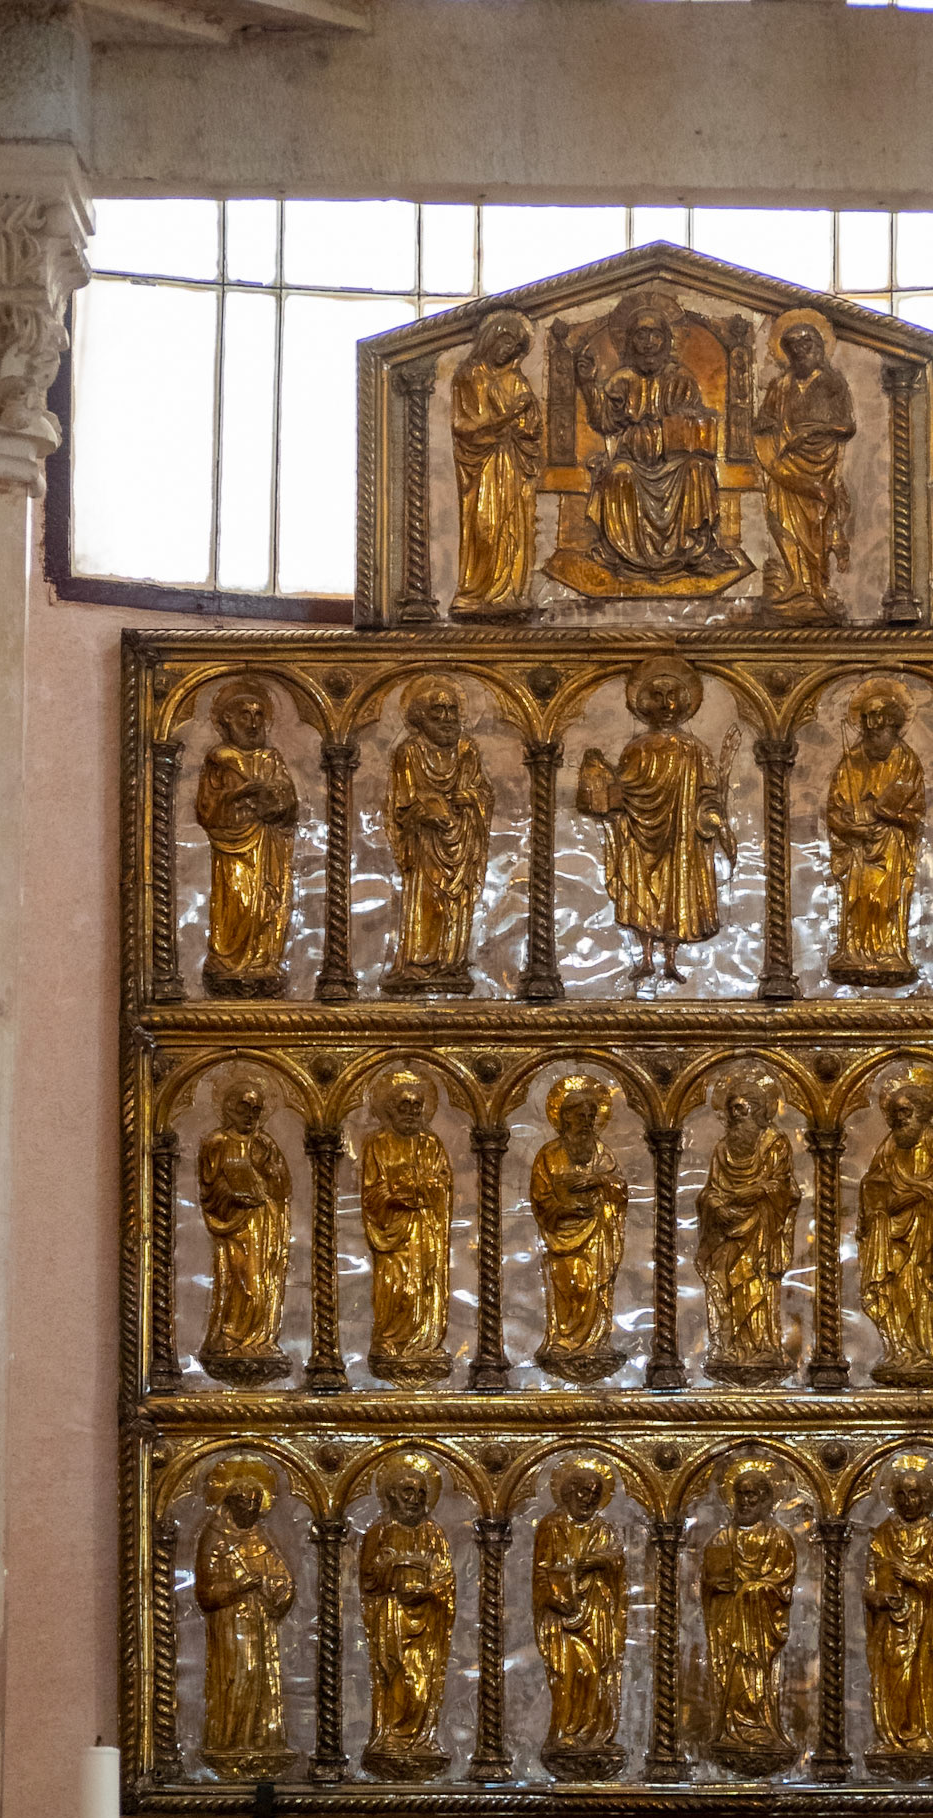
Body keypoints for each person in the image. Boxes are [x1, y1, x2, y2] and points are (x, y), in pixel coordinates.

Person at [578, 654, 737, 984]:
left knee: (676, 893)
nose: (666, 704)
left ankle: (670, 959)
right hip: (640, 835)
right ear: (644, 704)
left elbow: (707, 793)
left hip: (681, 838)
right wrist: (601, 776)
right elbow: (626, 789)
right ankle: (647, 958)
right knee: (644, 891)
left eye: (672, 696)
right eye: (657, 696)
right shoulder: (637, 748)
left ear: (683, 701)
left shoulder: (694, 750)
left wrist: (713, 819)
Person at [575, 294, 732, 582]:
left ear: (667, 340)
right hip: (632, 462)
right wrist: (587, 384)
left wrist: (688, 420)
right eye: (641, 335)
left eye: (655, 335)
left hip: (674, 462)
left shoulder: (680, 377)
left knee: (697, 469)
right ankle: (624, 554)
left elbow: (695, 425)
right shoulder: (622, 379)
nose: (648, 342)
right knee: (619, 475)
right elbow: (604, 421)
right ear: (630, 341)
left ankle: (694, 551)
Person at [384, 678, 493, 993]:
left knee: (457, 902)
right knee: (428, 900)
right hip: (425, 844)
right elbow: (402, 806)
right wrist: (426, 813)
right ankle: (419, 963)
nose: (447, 718)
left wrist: (469, 798)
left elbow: (482, 791)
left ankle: (451, 962)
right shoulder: (410, 752)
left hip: (462, 839)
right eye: (438, 711)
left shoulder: (467, 749)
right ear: (419, 717)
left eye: (452, 710)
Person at [195, 679, 298, 997]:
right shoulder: (219, 758)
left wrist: (274, 799)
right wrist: (240, 793)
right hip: (232, 846)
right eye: (244, 715)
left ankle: (264, 962)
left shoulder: (272, 758)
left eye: (258, 715)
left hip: (268, 845)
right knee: (238, 902)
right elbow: (207, 810)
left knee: (266, 905)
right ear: (226, 721)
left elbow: (288, 804)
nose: (253, 723)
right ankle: (229, 964)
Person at [696, 1072, 800, 1384]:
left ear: (758, 1110)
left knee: (756, 1283)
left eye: (744, 1109)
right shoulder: (721, 1148)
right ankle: (729, 1346)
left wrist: (749, 1195)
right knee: (728, 1286)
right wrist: (717, 1206)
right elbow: (710, 1191)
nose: (738, 1117)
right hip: (727, 1230)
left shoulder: (774, 1144)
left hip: (761, 1230)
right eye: (733, 1110)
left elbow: (782, 1189)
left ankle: (762, 1346)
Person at [196, 1457, 296, 1778]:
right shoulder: (214, 1538)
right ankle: (228, 1742)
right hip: (229, 1628)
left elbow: (284, 1579)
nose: (251, 1511)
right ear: (230, 1502)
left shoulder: (260, 1537)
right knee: (236, 1679)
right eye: (245, 1504)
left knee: (259, 1680)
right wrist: (239, 1585)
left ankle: (259, 1739)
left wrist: (271, 1586)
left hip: (261, 1625)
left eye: (256, 1505)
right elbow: (205, 1593)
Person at [360, 1453, 456, 1780]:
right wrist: (392, 1567)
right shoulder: (379, 1531)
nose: (414, 1500)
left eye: (420, 1494)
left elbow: (446, 1579)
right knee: (395, 1675)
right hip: (391, 1619)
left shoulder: (434, 1532)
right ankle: (389, 1735)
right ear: (391, 1496)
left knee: (421, 1682)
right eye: (407, 1493)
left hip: (427, 1621)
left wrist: (428, 1591)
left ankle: (421, 1739)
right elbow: (368, 1580)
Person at [754, 315, 856, 622]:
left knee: (817, 526)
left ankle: (818, 589)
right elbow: (764, 420)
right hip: (783, 466)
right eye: (793, 346)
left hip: (818, 466)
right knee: (778, 523)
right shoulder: (779, 385)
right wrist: (766, 426)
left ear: (819, 347)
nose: (800, 351)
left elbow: (847, 426)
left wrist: (811, 431)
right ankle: (795, 584)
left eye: (806, 344)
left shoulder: (831, 382)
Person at [827, 677, 927, 985]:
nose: (874, 733)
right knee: (858, 901)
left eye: (881, 727)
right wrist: (854, 827)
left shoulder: (907, 761)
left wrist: (886, 813)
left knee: (888, 901)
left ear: (894, 727)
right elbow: (835, 810)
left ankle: (890, 951)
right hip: (859, 848)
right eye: (868, 726)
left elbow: (913, 811)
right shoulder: (851, 761)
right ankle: (854, 952)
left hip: (892, 845)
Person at [863, 1457, 933, 1778]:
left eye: (915, 1494)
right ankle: (891, 1738)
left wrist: (915, 1575)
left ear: (929, 1497)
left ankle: (922, 1736)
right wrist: (880, 1599)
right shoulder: (882, 1534)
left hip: (927, 1623)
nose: (909, 1501)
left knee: (922, 1680)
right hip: (891, 1624)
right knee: (892, 1680)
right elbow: (868, 1588)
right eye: (901, 1495)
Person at [858, 1075, 933, 1385]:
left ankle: (926, 1351)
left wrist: (913, 1196)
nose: (900, 1118)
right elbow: (872, 1182)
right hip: (890, 1233)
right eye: (896, 1112)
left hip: (922, 1230)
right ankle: (898, 1350)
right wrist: (880, 1204)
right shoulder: (889, 1144)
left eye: (906, 1111)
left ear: (923, 1112)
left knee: (919, 1288)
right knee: (893, 1289)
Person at [701, 1457, 797, 1775]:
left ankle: (761, 1727)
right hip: (728, 1626)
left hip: (759, 1629)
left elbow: (782, 1583)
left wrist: (751, 1590)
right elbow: (708, 1587)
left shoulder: (778, 1538)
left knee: (756, 1676)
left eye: (753, 1495)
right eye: (741, 1494)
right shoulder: (721, 1539)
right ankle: (730, 1729)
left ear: (768, 1500)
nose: (746, 1501)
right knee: (731, 1677)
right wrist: (717, 1586)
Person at [533, 1457, 627, 1778]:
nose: (587, 1499)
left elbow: (616, 1562)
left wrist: (598, 1562)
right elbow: (545, 1570)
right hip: (564, 1616)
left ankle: (596, 1734)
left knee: (597, 1673)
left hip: (598, 1614)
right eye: (582, 1492)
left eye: (594, 1493)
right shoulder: (552, 1525)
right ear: (567, 1493)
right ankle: (567, 1732)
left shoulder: (603, 1528)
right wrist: (564, 1588)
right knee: (571, 1673)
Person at [530, 1075, 629, 1383]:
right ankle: (564, 1341)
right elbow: (540, 1196)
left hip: (597, 1234)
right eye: (579, 1115)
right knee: (569, 1286)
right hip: (562, 1234)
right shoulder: (549, 1154)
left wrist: (599, 1181)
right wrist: (565, 1208)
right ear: (565, 1118)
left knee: (593, 1287)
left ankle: (595, 1341)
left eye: (591, 1116)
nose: (586, 1121)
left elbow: (620, 1189)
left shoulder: (602, 1152)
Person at [449, 309, 542, 618]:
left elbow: (532, 426)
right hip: (485, 465)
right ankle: (476, 593)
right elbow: (467, 426)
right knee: (486, 528)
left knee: (513, 529)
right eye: (504, 342)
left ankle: (510, 593)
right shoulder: (470, 375)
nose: (508, 351)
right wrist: (508, 416)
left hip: (512, 465)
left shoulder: (517, 379)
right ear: (490, 339)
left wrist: (524, 423)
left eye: (514, 347)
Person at [360, 1069, 451, 1383]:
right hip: (393, 1232)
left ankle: (424, 1342)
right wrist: (397, 1195)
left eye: (417, 1106)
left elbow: (442, 1184)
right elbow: (372, 1192)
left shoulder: (430, 1143)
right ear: (389, 1109)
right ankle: (391, 1339)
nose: (412, 1112)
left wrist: (425, 1189)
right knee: (398, 1288)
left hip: (425, 1230)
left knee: (423, 1285)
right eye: (405, 1106)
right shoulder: (378, 1143)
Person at [197, 1079, 291, 1383]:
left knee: (263, 1282)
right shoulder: (216, 1143)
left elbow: (282, 1187)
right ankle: (230, 1337)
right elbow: (210, 1188)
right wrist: (233, 1196)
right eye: (244, 1107)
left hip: (265, 1222)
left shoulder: (266, 1143)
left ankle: (260, 1340)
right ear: (228, 1108)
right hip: (236, 1224)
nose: (250, 1114)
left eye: (256, 1109)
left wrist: (269, 1170)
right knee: (242, 1280)